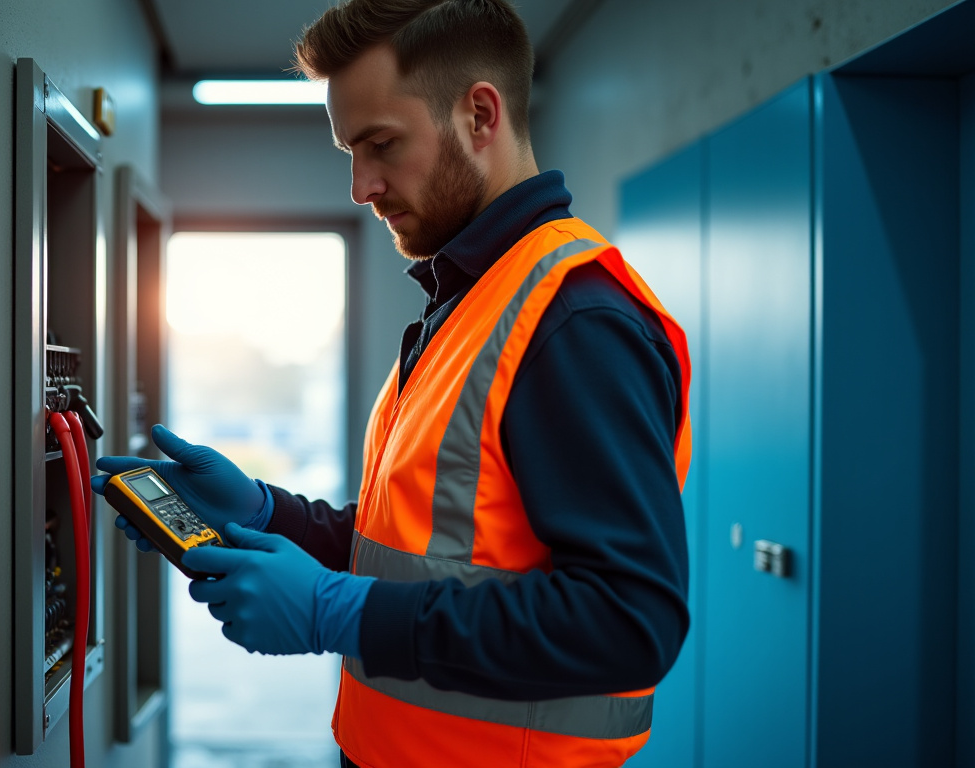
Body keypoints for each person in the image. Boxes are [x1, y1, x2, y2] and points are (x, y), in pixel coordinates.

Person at [92, 1, 693, 765]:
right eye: (350, 150)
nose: (360, 185)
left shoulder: (572, 322)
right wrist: (268, 511)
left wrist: (337, 615)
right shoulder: (470, 302)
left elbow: (628, 622)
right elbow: (413, 553)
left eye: (380, 145)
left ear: (480, 115)